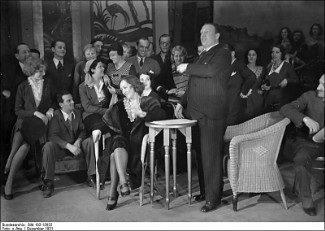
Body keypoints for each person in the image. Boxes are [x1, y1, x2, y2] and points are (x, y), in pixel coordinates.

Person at [175, 23, 231, 213]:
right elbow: (194, 83)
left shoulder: (222, 53)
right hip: (197, 114)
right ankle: (207, 192)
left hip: (212, 114)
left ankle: (213, 198)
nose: (203, 35)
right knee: (201, 156)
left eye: (207, 33)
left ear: (217, 35)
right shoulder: (203, 55)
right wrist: (182, 102)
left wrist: (187, 66)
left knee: (211, 157)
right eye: (201, 33)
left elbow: (209, 72)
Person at [101, 75, 166, 210]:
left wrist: (144, 115)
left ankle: (114, 193)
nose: (123, 91)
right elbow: (108, 123)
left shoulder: (147, 102)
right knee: (117, 140)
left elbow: (162, 115)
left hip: (140, 145)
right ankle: (124, 182)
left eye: (125, 88)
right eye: (121, 89)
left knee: (114, 154)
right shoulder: (118, 106)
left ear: (134, 87)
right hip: (122, 144)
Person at [3, 57, 54, 200]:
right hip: (25, 120)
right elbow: (18, 111)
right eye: (40, 71)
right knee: (25, 145)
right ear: (31, 71)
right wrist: (35, 112)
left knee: (24, 144)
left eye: (44, 70)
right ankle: (9, 183)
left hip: (39, 124)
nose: (43, 73)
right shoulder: (22, 86)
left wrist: (50, 108)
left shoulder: (48, 83)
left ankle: (9, 163)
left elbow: (55, 100)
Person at [280, 74, 324, 216]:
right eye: (319, 83)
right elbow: (286, 108)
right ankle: (307, 200)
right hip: (309, 143)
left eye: (323, 85)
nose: (318, 87)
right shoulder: (310, 96)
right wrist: (304, 118)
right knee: (300, 159)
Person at [41, 91, 97, 198]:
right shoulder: (56, 116)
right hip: (61, 149)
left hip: (77, 147)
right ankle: (48, 183)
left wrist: (79, 140)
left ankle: (91, 176)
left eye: (72, 99)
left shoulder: (78, 113)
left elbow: (83, 130)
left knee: (89, 141)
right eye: (69, 101)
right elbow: (53, 136)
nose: (73, 102)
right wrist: (68, 146)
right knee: (48, 146)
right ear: (61, 104)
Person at [79, 59, 112, 187]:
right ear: (92, 70)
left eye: (103, 67)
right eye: (100, 67)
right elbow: (87, 107)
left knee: (113, 130)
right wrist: (105, 111)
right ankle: (96, 173)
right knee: (102, 128)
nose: (103, 69)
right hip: (90, 117)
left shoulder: (106, 83)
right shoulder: (83, 86)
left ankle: (106, 170)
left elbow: (113, 99)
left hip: (104, 115)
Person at [260, 43, 299, 112]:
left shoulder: (287, 66)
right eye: (272, 52)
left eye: (277, 52)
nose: (274, 54)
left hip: (281, 101)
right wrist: (264, 86)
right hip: (268, 100)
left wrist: (287, 80)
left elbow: (296, 80)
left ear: (282, 54)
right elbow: (267, 81)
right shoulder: (269, 66)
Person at [223, 44, 255, 126]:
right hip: (225, 107)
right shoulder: (223, 67)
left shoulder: (239, 65)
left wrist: (243, 92)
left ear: (233, 53)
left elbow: (251, 77)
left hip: (235, 107)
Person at [44, 39, 75, 108]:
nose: (63, 50)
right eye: (60, 47)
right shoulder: (46, 65)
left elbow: (73, 85)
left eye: (64, 48)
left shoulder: (71, 65)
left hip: (67, 102)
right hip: (50, 102)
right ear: (53, 49)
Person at [244, 48, 266, 120]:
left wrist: (262, 89)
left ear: (257, 56)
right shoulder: (242, 69)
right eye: (249, 55)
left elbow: (265, 83)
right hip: (245, 100)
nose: (251, 57)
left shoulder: (262, 69)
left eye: (253, 55)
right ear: (247, 56)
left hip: (258, 99)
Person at [152, 34, 174, 99]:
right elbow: (151, 79)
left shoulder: (176, 58)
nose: (165, 45)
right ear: (159, 44)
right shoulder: (153, 59)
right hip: (157, 95)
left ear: (170, 44)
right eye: (162, 43)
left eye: (167, 43)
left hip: (173, 95)